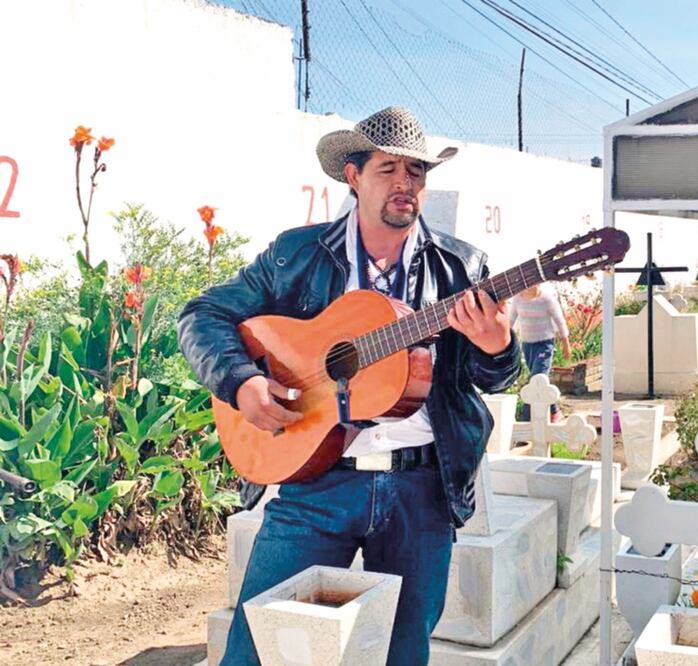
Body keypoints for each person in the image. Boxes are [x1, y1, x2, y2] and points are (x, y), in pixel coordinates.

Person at [177, 106, 521, 665]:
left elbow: (493, 376)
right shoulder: (297, 254)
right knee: (256, 649)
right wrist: (242, 384)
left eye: (417, 172)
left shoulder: (462, 269)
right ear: (353, 175)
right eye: (389, 169)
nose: (405, 183)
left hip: (421, 492)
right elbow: (202, 314)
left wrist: (497, 346)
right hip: (315, 481)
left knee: (402, 654)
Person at [509, 283, 571, 422]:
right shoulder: (518, 299)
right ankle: (554, 411)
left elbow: (559, 321)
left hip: (545, 344)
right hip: (527, 345)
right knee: (539, 381)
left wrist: (566, 344)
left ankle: (526, 419)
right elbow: (510, 321)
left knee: (536, 379)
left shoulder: (547, 299)